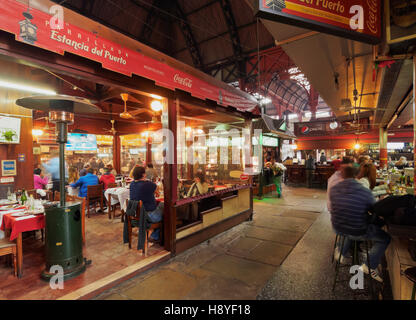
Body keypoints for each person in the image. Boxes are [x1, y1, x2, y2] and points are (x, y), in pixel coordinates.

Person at [329, 166, 391, 282]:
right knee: (385, 238)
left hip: (338, 227)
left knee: (351, 220)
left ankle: (341, 250)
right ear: (356, 176)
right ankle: (369, 265)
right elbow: (374, 209)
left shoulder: (334, 188)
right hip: (356, 230)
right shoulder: (363, 191)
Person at [129, 166, 163, 241]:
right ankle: (155, 236)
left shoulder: (132, 184)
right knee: (166, 214)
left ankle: (153, 234)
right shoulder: (147, 184)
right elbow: (156, 188)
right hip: (148, 216)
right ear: (144, 175)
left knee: (160, 206)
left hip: (135, 216)